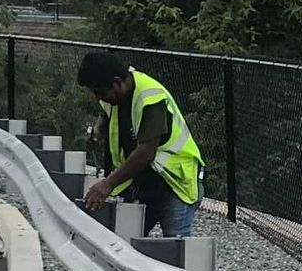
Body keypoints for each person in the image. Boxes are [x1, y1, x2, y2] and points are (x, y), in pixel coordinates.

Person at [75, 50, 205, 239]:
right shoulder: (115, 97)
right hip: (146, 183)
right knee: (127, 238)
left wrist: (108, 184)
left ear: (117, 82)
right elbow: (106, 113)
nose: (99, 98)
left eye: (101, 93)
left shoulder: (149, 99)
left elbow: (145, 153)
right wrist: (98, 130)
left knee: (177, 245)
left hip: (175, 182)